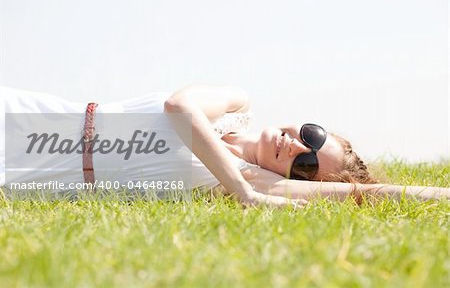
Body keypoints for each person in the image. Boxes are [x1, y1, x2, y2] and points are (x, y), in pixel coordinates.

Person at [1, 85, 448, 207]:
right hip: (28, 116)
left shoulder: (258, 180)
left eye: (307, 164)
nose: (295, 147)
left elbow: (368, 194)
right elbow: (179, 105)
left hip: (30, 177)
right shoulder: (235, 104)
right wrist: (243, 193)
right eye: (310, 136)